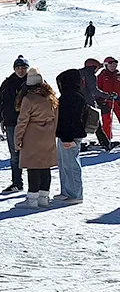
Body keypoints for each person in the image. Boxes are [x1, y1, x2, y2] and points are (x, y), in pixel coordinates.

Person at [14, 68, 58, 209]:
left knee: (33, 167)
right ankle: (44, 198)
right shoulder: (51, 97)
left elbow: (22, 121)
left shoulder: (28, 99)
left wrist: (17, 139)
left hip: (32, 136)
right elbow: (56, 119)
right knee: (45, 167)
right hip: (47, 135)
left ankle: (32, 199)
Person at [0, 56, 30, 193]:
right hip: (12, 122)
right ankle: (17, 183)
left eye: (23, 68)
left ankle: (36, 185)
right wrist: (2, 119)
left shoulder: (34, 81)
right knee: (15, 154)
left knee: (31, 154)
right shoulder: (7, 83)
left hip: (31, 123)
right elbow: (0, 102)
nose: (21, 70)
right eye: (18, 68)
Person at [55, 69, 87, 204]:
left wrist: (68, 138)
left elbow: (70, 119)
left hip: (70, 136)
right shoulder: (71, 95)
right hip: (65, 135)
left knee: (71, 165)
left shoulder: (72, 97)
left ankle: (75, 194)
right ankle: (66, 191)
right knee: (63, 164)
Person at [80, 59, 109, 149]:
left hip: (77, 102)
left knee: (80, 123)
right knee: (96, 123)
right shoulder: (90, 75)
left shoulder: (78, 73)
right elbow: (94, 90)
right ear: (94, 67)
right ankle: (106, 144)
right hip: (87, 102)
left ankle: (78, 143)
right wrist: (106, 96)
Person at [98, 56, 119, 146]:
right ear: (106, 65)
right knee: (106, 121)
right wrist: (100, 100)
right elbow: (97, 89)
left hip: (118, 101)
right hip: (106, 101)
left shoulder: (118, 75)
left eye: (115, 64)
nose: (113, 66)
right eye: (111, 64)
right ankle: (107, 139)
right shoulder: (101, 76)